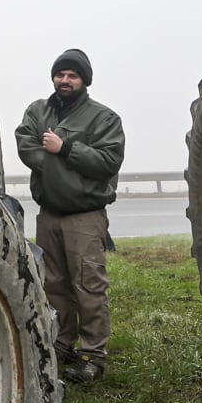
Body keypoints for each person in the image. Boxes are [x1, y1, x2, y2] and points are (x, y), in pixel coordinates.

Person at [14, 48, 125, 384]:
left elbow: (108, 162)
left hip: (85, 217)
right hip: (48, 216)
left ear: (84, 80)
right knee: (54, 285)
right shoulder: (37, 111)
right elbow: (26, 146)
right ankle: (62, 345)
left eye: (72, 75)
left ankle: (93, 355)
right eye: (60, 74)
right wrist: (67, 168)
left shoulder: (104, 119)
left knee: (88, 286)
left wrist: (65, 149)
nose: (65, 80)